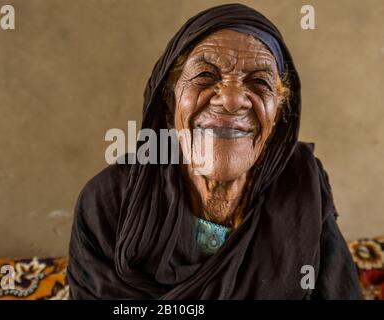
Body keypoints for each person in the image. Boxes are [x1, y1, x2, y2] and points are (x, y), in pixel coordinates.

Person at [67, 3, 362, 299]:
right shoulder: (109, 204)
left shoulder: (301, 184)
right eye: (205, 76)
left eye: (259, 82)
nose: (232, 100)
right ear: (169, 102)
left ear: (278, 116)